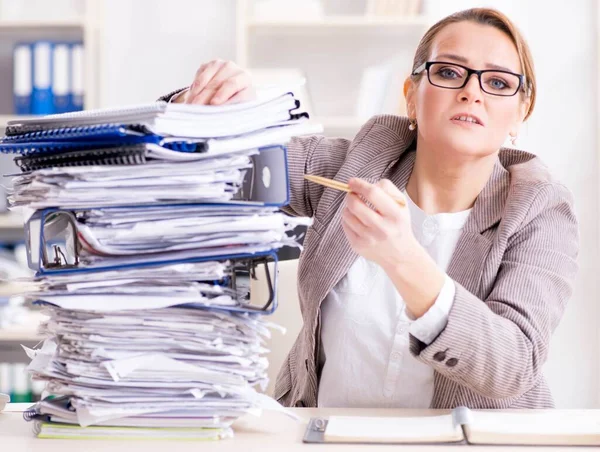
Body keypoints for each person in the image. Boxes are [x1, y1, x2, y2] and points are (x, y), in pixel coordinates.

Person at [160, 7, 579, 409]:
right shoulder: (362, 163)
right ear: (411, 96)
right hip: (322, 435)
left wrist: (404, 261)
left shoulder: (539, 207)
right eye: (449, 72)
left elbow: (514, 364)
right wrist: (214, 109)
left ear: (520, 114)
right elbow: (227, 164)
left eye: (499, 83)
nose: (472, 92)